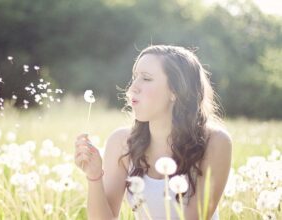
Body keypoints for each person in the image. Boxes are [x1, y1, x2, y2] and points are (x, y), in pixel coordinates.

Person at [74, 45, 232, 220]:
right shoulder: (121, 143)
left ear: (176, 91)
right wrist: (94, 175)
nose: (132, 87)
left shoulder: (214, 142)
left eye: (146, 79)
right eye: (134, 78)